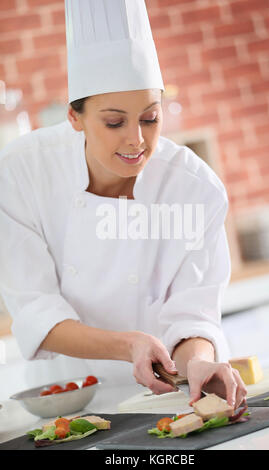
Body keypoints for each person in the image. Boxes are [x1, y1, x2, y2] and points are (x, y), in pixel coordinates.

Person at [0, 0, 247, 409]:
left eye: (150, 118)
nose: (136, 140)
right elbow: (35, 310)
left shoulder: (194, 188)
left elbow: (192, 315)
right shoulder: (21, 171)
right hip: (68, 400)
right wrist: (129, 344)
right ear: (75, 118)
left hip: (169, 397)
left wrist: (199, 362)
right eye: (114, 122)